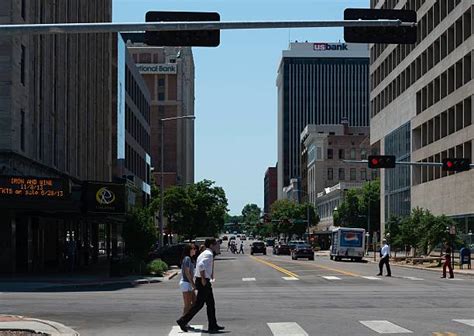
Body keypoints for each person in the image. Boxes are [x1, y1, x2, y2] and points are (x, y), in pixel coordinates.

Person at [176, 238, 225, 333]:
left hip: (203, 280)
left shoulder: (204, 253)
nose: (217, 246)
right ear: (211, 245)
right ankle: (183, 321)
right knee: (199, 304)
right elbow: (201, 265)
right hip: (203, 281)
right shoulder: (209, 254)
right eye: (215, 244)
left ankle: (213, 325)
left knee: (210, 304)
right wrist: (203, 279)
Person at [179, 244, 197, 317]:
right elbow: (187, 272)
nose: (195, 250)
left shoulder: (190, 259)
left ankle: (185, 319)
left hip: (188, 283)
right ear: (189, 250)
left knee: (195, 302)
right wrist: (193, 284)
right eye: (193, 249)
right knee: (187, 305)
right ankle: (183, 321)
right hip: (186, 283)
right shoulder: (187, 258)